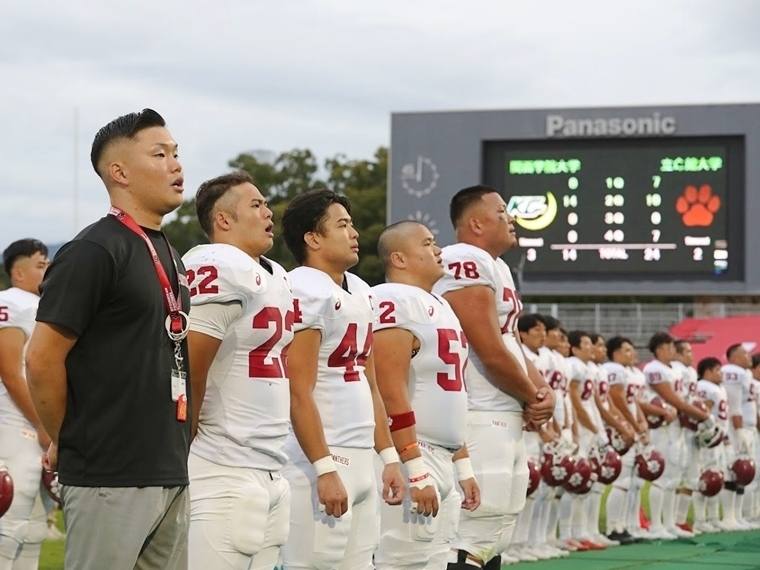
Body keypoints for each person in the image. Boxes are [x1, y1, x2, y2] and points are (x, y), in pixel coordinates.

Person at [25, 109, 191, 570]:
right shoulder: (95, 249)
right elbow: (40, 359)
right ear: (119, 172)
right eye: (159, 154)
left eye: (176, 153)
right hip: (109, 473)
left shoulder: (167, 251)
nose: (175, 164)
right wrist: (72, 438)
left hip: (168, 466)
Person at [279, 189, 405, 570]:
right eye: (342, 225)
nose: (354, 233)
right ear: (313, 238)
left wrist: (388, 457)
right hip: (319, 457)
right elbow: (297, 390)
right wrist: (323, 467)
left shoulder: (361, 290)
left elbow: (371, 384)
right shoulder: (304, 288)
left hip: (361, 454)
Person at [431, 185, 555, 569]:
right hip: (478, 411)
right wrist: (533, 395)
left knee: (497, 528)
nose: (511, 218)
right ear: (476, 223)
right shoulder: (464, 258)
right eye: (502, 212)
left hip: (500, 409)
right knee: (472, 530)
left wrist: (540, 389)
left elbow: (510, 339)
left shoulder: (495, 265)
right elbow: (489, 348)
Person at [182, 172, 293, 569]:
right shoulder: (216, 262)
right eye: (256, 205)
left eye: (266, 203)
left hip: (271, 466)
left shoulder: (277, 274)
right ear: (223, 220)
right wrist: (178, 451)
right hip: (221, 465)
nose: (268, 212)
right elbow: (188, 370)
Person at [371, 220, 480, 569]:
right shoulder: (392, 298)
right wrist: (415, 469)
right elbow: (390, 391)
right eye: (428, 243)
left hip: (443, 456)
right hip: (414, 451)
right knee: (402, 561)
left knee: (433, 561)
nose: (438, 250)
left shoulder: (441, 305)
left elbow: (450, 394)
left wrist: (462, 465)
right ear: (399, 258)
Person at [0, 239, 52, 570]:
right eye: (39, 265)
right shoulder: (12, 302)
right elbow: (8, 370)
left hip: (33, 428)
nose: (47, 270)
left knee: (34, 530)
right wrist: (42, 422)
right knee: (9, 524)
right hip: (14, 424)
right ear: (18, 274)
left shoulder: (40, 305)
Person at [642, 332, 709, 539]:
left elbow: (683, 399)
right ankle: (656, 524)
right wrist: (704, 416)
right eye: (671, 347)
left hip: (677, 425)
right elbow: (673, 400)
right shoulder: (655, 369)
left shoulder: (675, 371)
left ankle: (669, 523)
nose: (674, 351)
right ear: (660, 349)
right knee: (662, 476)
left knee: (673, 478)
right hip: (662, 426)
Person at [603, 336, 647, 545]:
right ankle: (613, 527)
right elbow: (618, 399)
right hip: (617, 428)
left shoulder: (629, 372)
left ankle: (623, 525)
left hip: (627, 426)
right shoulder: (615, 369)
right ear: (616, 353)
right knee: (621, 481)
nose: (633, 354)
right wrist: (631, 423)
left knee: (629, 482)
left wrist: (640, 420)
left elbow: (631, 401)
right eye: (627, 350)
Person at [721, 344, 758, 530]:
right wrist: (739, 429)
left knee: (744, 474)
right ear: (734, 357)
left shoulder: (746, 374)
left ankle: (737, 516)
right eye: (744, 354)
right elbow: (733, 405)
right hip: (735, 428)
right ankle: (729, 517)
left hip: (747, 427)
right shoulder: (732, 371)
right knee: (734, 471)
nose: (749, 357)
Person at [694, 357, 729, 533]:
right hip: (710, 438)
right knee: (706, 478)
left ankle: (713, 517)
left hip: (719, 437)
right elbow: (703, 412)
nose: (721, 374)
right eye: (717, 370)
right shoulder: (705, 387)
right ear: (707, 372)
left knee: (717, 478)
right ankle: (700, 519)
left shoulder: (718, 387)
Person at [670, 341, 701, 534]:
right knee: (676, 475)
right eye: (688, 351)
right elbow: (679, 398)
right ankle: (672, 520)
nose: (692, 355)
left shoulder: (687, 371)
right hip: (678, 425)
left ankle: (679, 520)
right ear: (678, 354)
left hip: (688, 425)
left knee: (689, 476)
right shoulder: (677, 370)